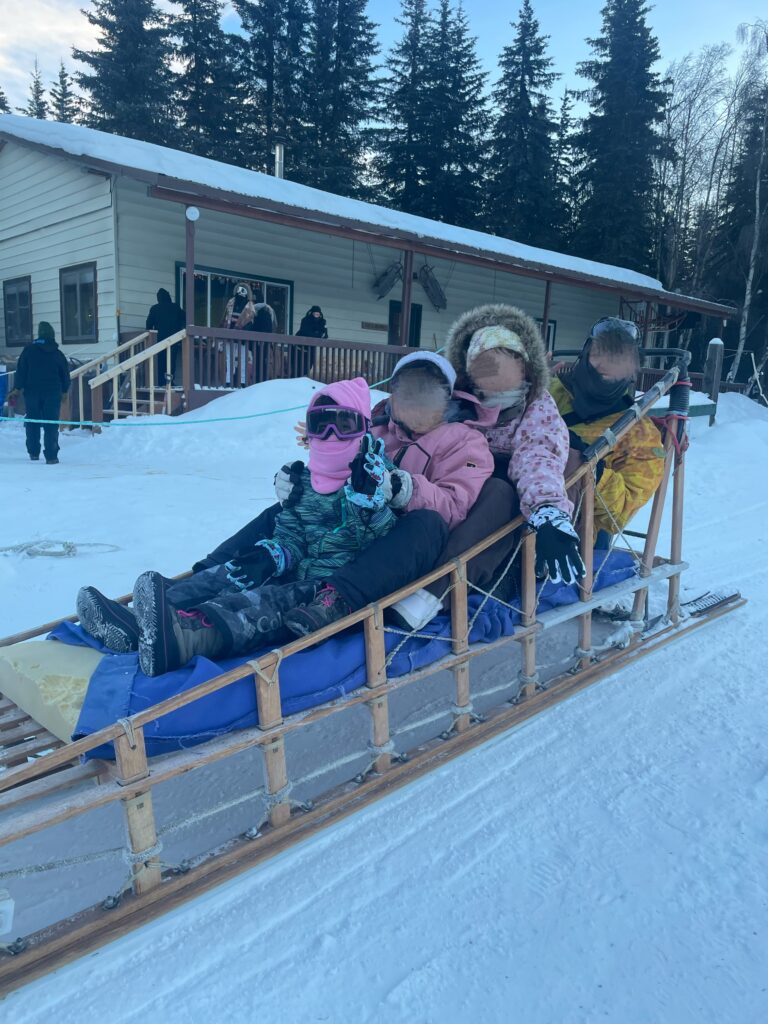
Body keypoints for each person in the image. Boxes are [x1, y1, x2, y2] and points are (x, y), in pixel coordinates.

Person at [76, 378, 399, 676]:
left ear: (364, 429)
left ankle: (183, 635)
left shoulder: (376, 477)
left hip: (331, 590)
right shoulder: (306, 480)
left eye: (344, 424)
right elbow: (292, 533)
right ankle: (145, 617)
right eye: (321, 424)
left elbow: (382, 546)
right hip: (297, 569)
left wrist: (368, 504)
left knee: (264, 602)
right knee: (233, 573)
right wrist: (272, 555)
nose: (331, 436)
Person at [390, 304, 585, 630]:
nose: (496, 403)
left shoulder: (537, 409)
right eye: (486, 393)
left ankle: (435, 589)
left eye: (508, 392)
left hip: (500, 515)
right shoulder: (457, 400)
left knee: (498, 493)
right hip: (449, 484)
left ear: (527, 374)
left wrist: (548, 509)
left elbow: (538, 458)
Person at [284, 351, 495, 635]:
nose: (417, 406)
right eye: (408, 394)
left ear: (446, 400)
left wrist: (405, 489)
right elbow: (337, 472)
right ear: (394, 396)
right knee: (289, 507)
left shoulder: (466, 442)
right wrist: (302, 483)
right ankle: (220, 570)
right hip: (355, 530)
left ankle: (337, 600)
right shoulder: (377, 427)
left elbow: (455, 506)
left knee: (425, 524)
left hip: (408, 548)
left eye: (428, 396)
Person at [550, 317, 665, 544]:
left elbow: (619, 514)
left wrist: (588, 465)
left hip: (573, 530)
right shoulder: (550, 390)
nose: (606, 365)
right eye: (599, 354)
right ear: (585, 355)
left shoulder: (641, 435)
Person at [12, 321, 70, 465]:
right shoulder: (57, 353)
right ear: (51, 335)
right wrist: (64, 390)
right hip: (52, 393)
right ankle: (51, 456)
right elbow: (65, 374)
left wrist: (17, 388)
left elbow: (21, 371)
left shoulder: (28, 350)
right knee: (51, 423)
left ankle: (33, 452)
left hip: (32, 392)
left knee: (33, 422)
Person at [220, 283, 276, 385]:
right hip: (230, 336)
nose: (241, 293)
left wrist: (242, 329)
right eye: (239, 291)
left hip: (244, 338)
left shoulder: (250, 307)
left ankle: (242, 382)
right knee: (229, 359)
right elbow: (225, 319)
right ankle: (229, 381)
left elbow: (250, 322)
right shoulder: (230, 304)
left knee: (243, 360)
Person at [145, 288, 185, 381]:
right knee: (171, 361)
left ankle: (160, 381)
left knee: (161, 361)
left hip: (159, 340)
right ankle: (169, 381)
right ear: (168, 297)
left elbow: (148, 325)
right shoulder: (175, 307)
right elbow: (185, 318)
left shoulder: (154, 309)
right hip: (173, 339)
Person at [292, 304, 328, 376]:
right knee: (297, 367)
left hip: (311, 348)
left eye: (318, 314)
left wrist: (322, 335)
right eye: (315, 313)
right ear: (312, 313)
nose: (316, 315)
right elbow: (305, 332)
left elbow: (324, 334)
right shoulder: (306, 320)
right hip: (299, 347)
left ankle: (303, 379)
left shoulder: (322, 322)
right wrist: (318, 335)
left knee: (308, 366)